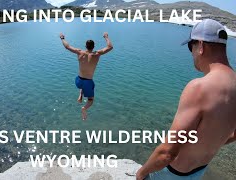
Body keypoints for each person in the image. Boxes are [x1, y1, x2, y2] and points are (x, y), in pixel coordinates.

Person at [136, 19, 236, 180]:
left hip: (171, 175)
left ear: (201, 46)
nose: (192, 53)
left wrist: (141, 173)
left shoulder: (199, 87)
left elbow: (167, 153)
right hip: (199, 171)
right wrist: (209, 142)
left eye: (191, 46)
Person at [60, 32, 113, 120]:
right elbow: (110, 47)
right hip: (88, 82)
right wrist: (106, 37)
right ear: (94, 46)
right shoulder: (97, 54)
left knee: (82, 85)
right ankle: (84, 108)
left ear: (85, 46)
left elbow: (67, 46)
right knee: (91, 100)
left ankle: (80, 95)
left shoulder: (80, 52)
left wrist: (62, 38)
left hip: (78, 81)